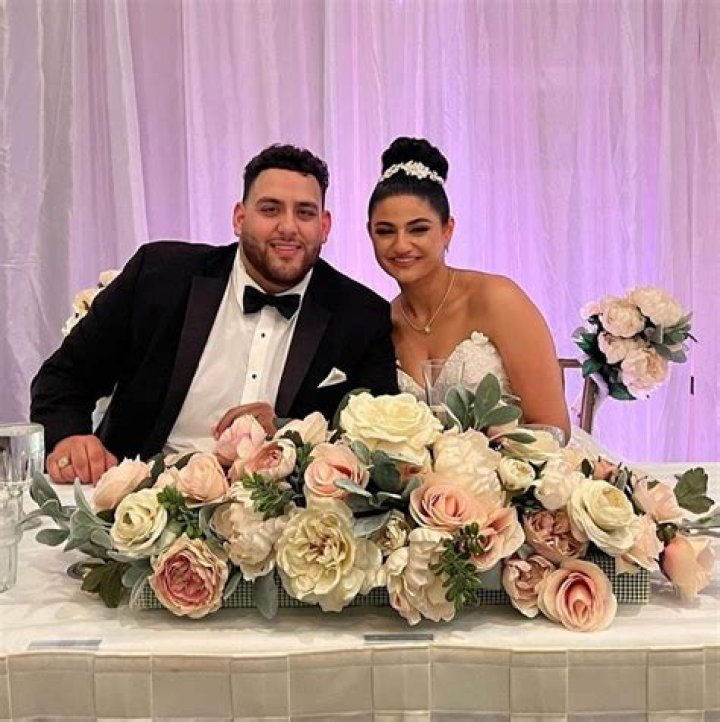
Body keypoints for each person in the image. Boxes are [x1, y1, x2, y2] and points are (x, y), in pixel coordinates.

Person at [31, 144, 398, 484]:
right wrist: (70, 438)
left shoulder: (361, 316)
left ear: (325, 226)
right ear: (239, 218)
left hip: (279, 516)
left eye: (304, 212)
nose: (288, 227)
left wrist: (287, 430)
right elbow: (63, 378)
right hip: (138, 500)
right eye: (270, 209)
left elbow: (371, 447)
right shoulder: (159, 276)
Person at [367, 136, 571, 439]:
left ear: (447, 230)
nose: (401, 245)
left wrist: (484, 461)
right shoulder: (382, 323)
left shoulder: (498, 300)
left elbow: (554, 428)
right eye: (385, 231)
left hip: (526, 466)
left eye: (418, 229)